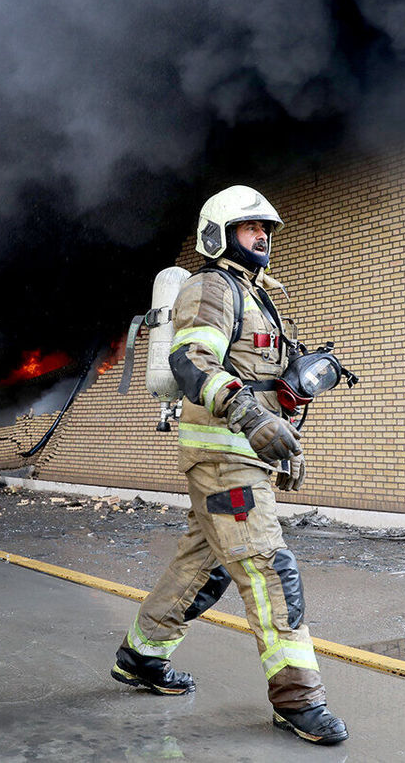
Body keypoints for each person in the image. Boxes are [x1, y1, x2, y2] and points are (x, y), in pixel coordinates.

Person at [110, 185, 348, 745]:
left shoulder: (259, 296)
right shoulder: (211, 286)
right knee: (269, 570)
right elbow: (192, 360)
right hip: (222, 456)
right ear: (218, 235)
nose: (263, 236)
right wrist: (251, 419)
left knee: (201, 568)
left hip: (242, 457)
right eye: (250, 228)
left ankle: (140, 657)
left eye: (266, 229)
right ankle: (297, 699)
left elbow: (276, 390)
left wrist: (285, 442)